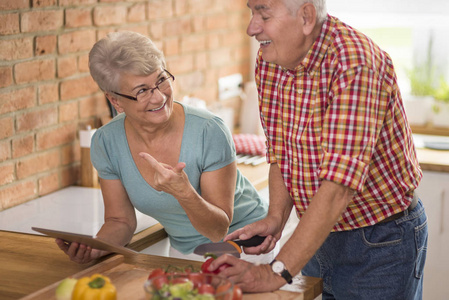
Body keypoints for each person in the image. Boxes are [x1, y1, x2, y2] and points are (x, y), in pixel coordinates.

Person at [209, 1, 428, 299]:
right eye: (251, 12)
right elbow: (281, 151)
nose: (252, 27)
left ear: (307, 17)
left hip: (380, 243)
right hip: (318, 233)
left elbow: (339, 186)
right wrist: (276, 217)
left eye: (263, 14)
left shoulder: (355, 64)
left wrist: (275, 272)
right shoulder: (271, 59)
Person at [55, 31, 271, 264]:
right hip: (185, 251)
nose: (158, 97)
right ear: (115, 101)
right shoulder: (107, 143)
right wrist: (97, 248)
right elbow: (120, 221)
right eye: (141, 91)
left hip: (246, 245)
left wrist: (184, 193)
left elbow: (218, 229)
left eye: (160, 80)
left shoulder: (209, 130)